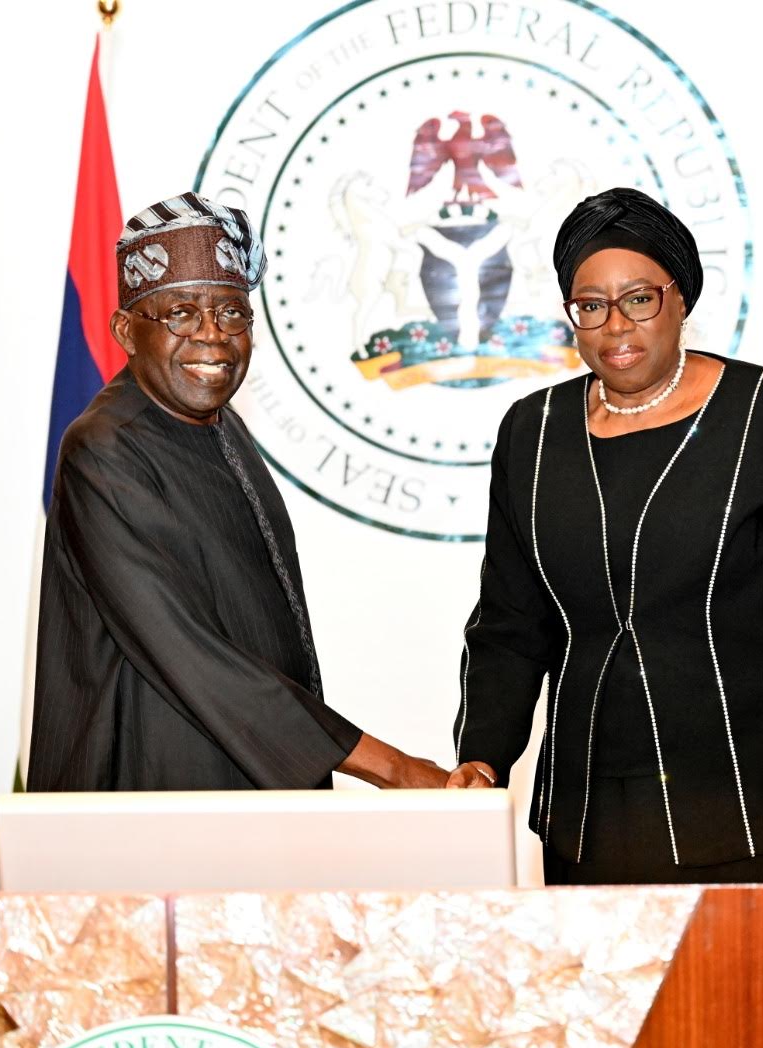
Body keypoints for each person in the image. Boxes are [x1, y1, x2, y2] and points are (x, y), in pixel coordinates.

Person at [448, 188, 763, 883]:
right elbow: (509, 623)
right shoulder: (532, 432)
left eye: (638, 298)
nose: (616, 324)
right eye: (590, 305)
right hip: (588, 828)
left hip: (759, 815)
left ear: (680, 300)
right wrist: (483, 756)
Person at [29, 192, 474, 794]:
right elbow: (190, 652)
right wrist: (389, 767)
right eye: (181, 313)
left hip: (247, 782)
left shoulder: (219, 422)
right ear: (126, 331)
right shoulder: (105, 450)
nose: (213, 337)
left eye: (232, 312)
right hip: (154, 789)